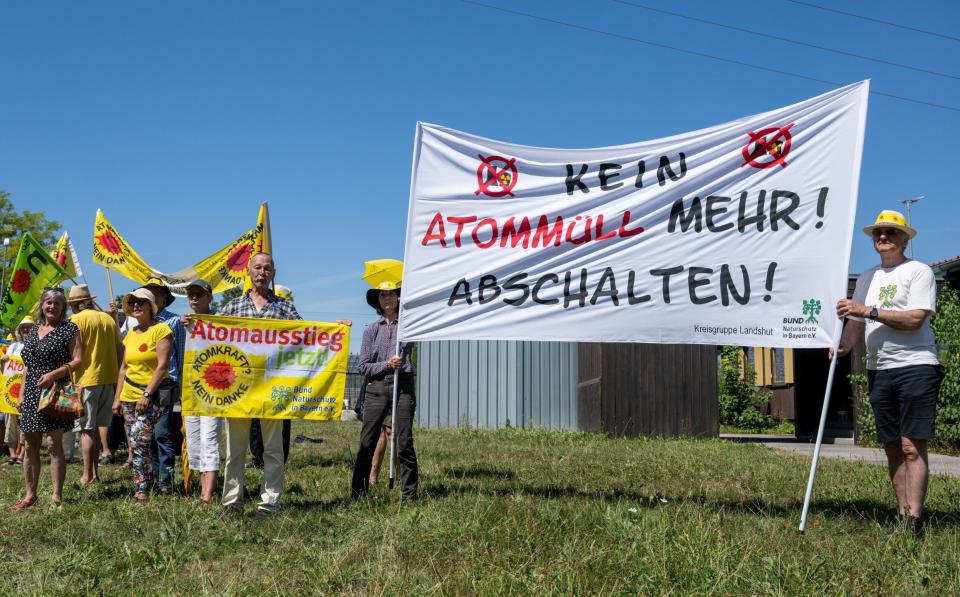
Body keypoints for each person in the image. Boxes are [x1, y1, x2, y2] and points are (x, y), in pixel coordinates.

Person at [835, 210, 944, 540]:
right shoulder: (867, 277)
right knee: (893, 447)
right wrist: (843, 348)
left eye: (891, 233)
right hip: (879, 369)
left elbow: (914, 319)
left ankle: (915, 520)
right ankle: (902, 515)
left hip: (916, 367)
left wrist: (867, 310)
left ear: (905, 238)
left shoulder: (918, 272)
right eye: (878, 233)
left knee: (912, 447)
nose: (883, 237)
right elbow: (855, 323)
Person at [214, 253, 302, 518]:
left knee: (273, 449)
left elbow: (309, 337)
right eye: (257, 268)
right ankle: (232, 503)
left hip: (272, 387)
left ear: (273, 273)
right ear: (248, 273)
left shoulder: (285, 309)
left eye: (267, 268)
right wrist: (194, 325)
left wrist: (336, 330)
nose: (262, 272)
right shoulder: (232, 307)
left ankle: (269, 504)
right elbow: (212, 335)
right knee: (235, 450)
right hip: (237, 389)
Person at [10, 289, 82, 511]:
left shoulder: (69, 329)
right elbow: (28, 367)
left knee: (53, 444)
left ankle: (56, 496)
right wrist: (21, 394)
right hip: (31, 393)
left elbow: (78, 360)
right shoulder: (32, 332)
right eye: (49, 303)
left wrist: (53, 375)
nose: (52, 307)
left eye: (57, 304)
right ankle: (30, 495)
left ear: (63, 308)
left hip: (55, 392)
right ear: (42, 305)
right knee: (30, 446)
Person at [351, 281, 419, 503]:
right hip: (377, 387)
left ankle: (409, 494)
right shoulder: (371, 330)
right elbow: (363, 366)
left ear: (398, 298)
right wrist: (386, 365)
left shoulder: (408, 328)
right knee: (367, 441)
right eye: (383, 295)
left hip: (403, 386)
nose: (387, 299)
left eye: (391, 295)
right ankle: (358, 493)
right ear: (378, 301)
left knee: (404, 440)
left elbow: (413, 345)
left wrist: (406, 341)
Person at [113, 288, 174, 502]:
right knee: (135, 444)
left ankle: (142, 489)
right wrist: (117, 398)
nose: (136, 305)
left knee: (139, 442)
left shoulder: (161, 330)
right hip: (128, 395)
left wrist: (147, 394)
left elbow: (162, 365)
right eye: (133, 303)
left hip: (152, 395)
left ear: (150, 306)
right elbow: (123, 368)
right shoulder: (131, 333)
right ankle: (147, 482)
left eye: (141, 302)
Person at [67, 284, 121, 484]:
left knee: (86, 430)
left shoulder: (74, 321)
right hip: (108, 379)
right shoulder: (107, 318)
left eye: (71, 304)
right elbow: (120, 348)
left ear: (76, 304)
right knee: (97, 428)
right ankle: (95, 473)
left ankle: (86, 475)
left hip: (85, 380)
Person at [140, 277, 185, 494]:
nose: (152, 295)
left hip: (167, 384)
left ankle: (166, 481)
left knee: (163, 432)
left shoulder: (174, 322)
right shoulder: (140, 324)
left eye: (156, 292)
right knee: (146, 434)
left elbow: (182, 354)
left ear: (165, 298)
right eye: (148, 291)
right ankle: (152, 477)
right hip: (142, 384)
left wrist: (182, 384)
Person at [182, 280, 222, 506]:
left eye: (199, 294)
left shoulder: (219, 322)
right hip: (191, 389)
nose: (194, 297)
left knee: (210, 439)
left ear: (210, 298)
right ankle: (202, 489)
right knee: (195, 441)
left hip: (215, 389)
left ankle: (208, 495)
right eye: (191, 294)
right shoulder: (185, 323)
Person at [2, 318, 35, 466]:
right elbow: (5, 370)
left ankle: (22, 454)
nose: (26, 330)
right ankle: (12, 454)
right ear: (19, 330)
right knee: (10, 422)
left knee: (24, 422)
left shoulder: (35, 344)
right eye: (23, 328)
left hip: (28, 389)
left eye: (29, 327)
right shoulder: (13, 347)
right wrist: (3, 361)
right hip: (11, 390)